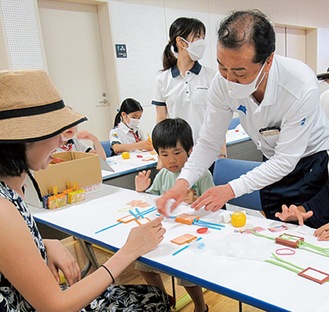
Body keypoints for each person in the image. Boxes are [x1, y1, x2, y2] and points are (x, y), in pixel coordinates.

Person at [0, 69, 170, 311]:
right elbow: (55, 306)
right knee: (152, 302)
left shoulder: (10, 192)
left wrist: (47, 243)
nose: (61, 142)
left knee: (154, 296)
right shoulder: (3, 208)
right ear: (24, 140)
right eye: (54, 133)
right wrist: (129, 251)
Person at [156, 9, 329, 221]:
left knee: (308, 230)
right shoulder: (221, 83)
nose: (229, 79)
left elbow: (286, 160)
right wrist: (182, 183)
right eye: (222, 67)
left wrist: (230, 190)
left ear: (268, 61)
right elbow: (209, 142)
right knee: (275, 226)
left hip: (308, 162)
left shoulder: (300, 85)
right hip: (270, 160)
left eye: (239, 73)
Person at [135, 118, 213, 312]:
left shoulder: (201, 175)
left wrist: (196, 198)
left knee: (185, 272)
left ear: (190, 151)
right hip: (168, 231)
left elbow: (215, 209)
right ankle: (162, 299)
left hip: (194, 234)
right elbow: (153, 201)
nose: (171, 160)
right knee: (142, 265)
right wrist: (142, 192)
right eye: (164, 154)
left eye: (177, 153)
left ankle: (200, 306)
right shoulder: (162, 175)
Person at [152, 17, 227, 158]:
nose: (202, 42)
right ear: (181, 42)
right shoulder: (163, 79)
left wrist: (222, 149)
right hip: (178, 154)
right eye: (198, 37)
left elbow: (219, 117)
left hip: (208, 151)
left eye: (203, 37)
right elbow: (161, 121)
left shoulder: (212, 76)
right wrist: (161, 157)